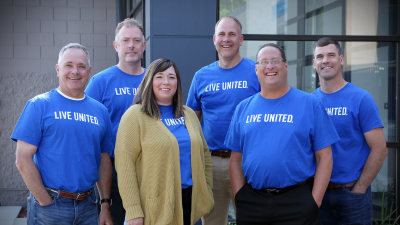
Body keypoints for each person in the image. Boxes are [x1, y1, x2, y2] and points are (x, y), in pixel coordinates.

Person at [225, 43, 340, 224]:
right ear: (256, 69)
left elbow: (325, 158)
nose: (269, 66)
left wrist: (314, 201)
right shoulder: (243, 108)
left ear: (286, 66)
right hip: (252, 202)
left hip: (297, 202)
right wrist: (241, 197)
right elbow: (235, 160)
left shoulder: (310, 104)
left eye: (275, 61)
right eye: (264, 62)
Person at [11, 43, 114, 225]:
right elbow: (22, 159)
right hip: (51, 207)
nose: (75, 71)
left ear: (89, 71)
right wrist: (45, 201)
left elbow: (104, 160)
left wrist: (104, 204)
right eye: (68, 65)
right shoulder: (39, 105)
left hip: (89, 207)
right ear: (58, 69)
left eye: (81, 66)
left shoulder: (101, 111)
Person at [114, 58, 214, 225]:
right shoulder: (135, 116)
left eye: (171, 77)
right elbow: (125, 166)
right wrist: (133, 210)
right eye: (159, 77)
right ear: (149, 81)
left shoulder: (188, 114)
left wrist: (206, 190)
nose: (166, 82)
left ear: (178, 82)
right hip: (154, 209)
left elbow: (204, 154)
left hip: (191, 203)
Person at [186, 16, 260, 224]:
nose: (226, 39)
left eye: (232, 34)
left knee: (251, 218)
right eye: (222, 34)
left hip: (248, 160)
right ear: (214, 39)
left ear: (241, 39)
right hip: (212, 162)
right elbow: (191, 121)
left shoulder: (256, 72)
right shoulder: (201, 76)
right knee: (212, 221)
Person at [312, 37, 388, 224]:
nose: (325, 61)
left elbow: (380, 148)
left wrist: (360, 188)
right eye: (320, 57)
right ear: (314, 64)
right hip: (319, 193)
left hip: (352, 194)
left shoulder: (361, 98)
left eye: (331, 55)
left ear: (341, 59)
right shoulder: (310, 101)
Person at [85, 18, 146, 225]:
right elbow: (88, 129)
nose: (131, 45)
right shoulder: (100, 82)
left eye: (137, 40)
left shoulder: (155, 80)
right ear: (116, 45)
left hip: (150, 168)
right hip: (113, 171)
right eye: (126, 40)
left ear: (144, 45)